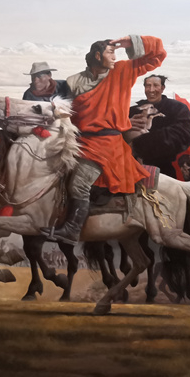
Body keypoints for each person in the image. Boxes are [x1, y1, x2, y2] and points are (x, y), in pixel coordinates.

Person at [40, 35, 167, 245]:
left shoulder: (123, 70)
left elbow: (157, 55)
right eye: (111, 52)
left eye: (116, 53)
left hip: (107, 147)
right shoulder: (73, 81)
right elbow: (68, 112)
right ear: (98, 56)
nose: (115, 57)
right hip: (80, 143)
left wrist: (131, 42)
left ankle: (72, 231)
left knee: (78, 185)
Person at [128, 75, 190, 177]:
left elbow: (183, 135)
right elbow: (116, 132)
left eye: (155, 85)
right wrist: (125, 125)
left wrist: (139, 145)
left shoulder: (177, 108)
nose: (151, 90)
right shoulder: (132, 110)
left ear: (162, 88)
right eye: (148, 86)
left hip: (163, 171)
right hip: (131, 168)